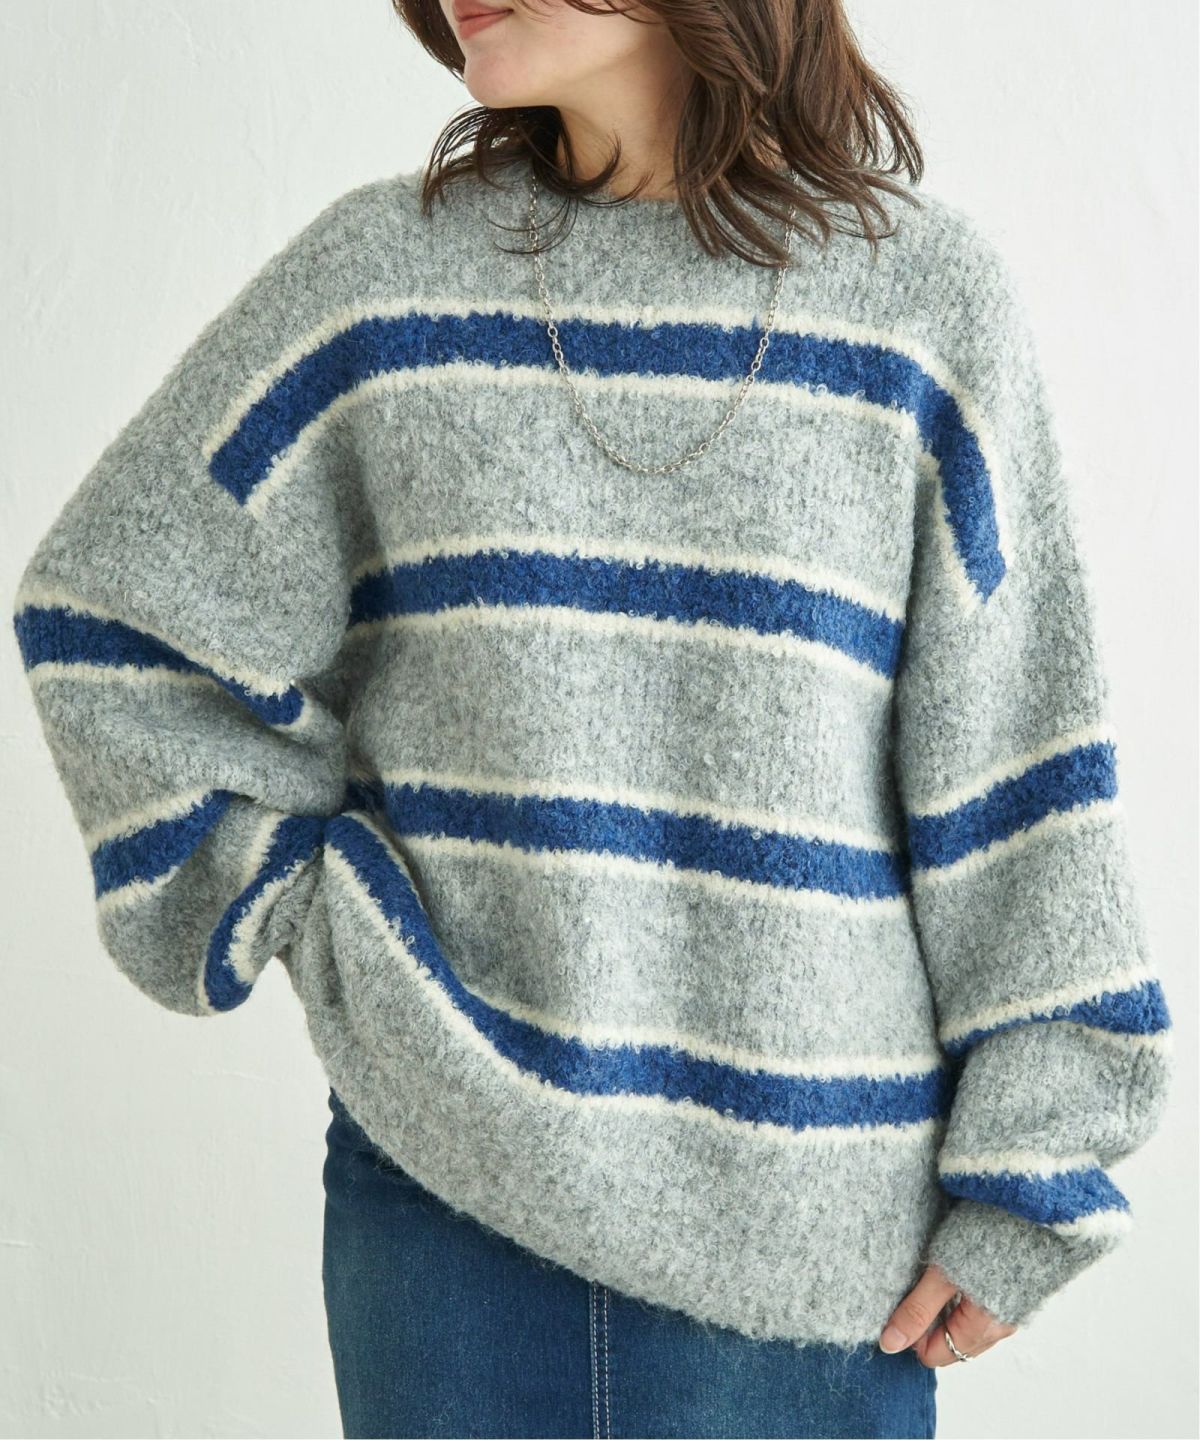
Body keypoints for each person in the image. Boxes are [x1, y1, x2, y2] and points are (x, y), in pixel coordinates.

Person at [11, 1, 1174, 1437]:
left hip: (813, 1248)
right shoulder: (379, 282)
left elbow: (1016, 759)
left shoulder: (921, 307)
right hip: (445, 1206)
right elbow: (118, 609)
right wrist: (295, 901)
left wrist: (1039, 1160)